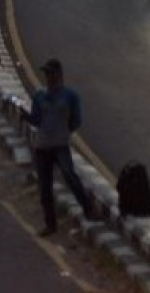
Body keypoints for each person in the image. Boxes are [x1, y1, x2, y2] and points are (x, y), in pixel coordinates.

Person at [24, 59, 98, 236]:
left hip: (60, 145)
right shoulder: (39, 97)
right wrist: (25, 116)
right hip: (42, 146)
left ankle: (88, 209)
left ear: (59, 75)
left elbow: (76, 121)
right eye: (46, 74)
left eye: (51, 74)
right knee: (45, 187)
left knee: (70, 176)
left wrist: (62, 132)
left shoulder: (70, 96)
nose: (48, 78)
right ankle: (50, 224)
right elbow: (36, 120)